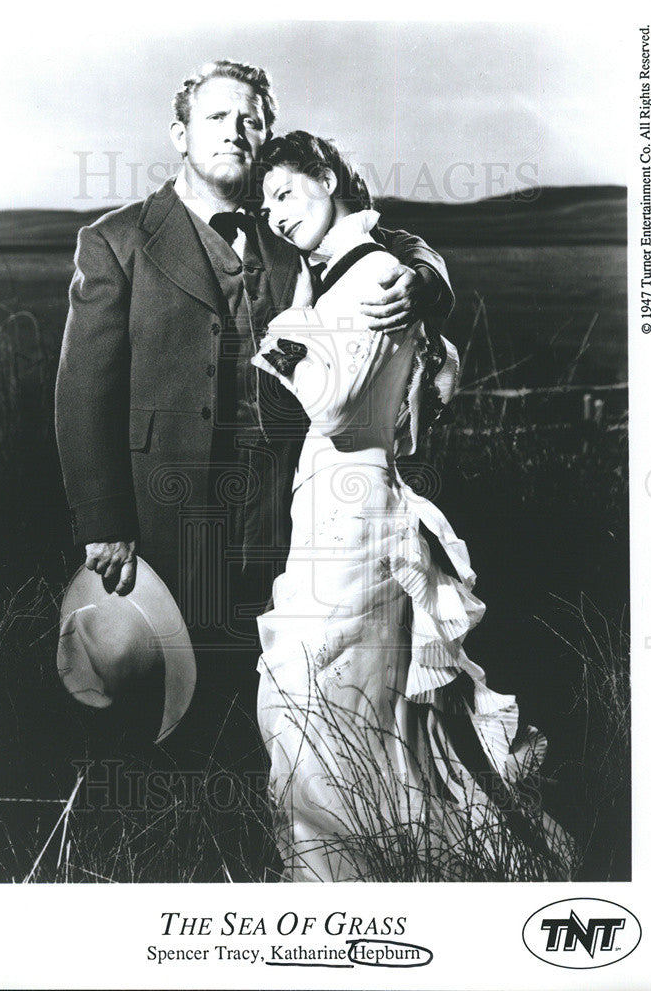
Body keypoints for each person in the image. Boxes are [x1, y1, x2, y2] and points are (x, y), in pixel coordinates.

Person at [55, 61, 454, 763]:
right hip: (167, 505)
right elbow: (82, 394)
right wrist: (105, 524)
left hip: (284, 504)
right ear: (180, 135)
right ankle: (169, 830)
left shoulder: (288, 226)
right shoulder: (117, 240)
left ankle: (264, 813)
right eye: (217, 118)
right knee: (177, 686)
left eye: (252, 120)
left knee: (276, 680)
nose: (236, 132)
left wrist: (426, 281)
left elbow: (388, 243)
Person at [253, 131, 574, 881]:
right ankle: (356, 851)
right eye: (265, 203)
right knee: (332, 681)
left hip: (356, 503)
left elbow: (334, 412)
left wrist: (282, 339)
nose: (274, 214)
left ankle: (350, 864)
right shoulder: (326, 270)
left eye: (287, 193)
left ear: (328, 177)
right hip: (325, 499)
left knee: (328, 679)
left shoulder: (378, 274)